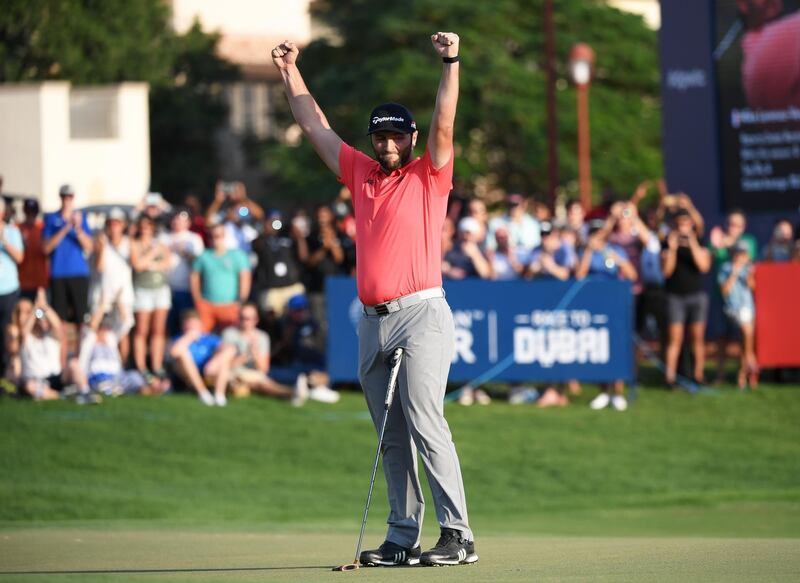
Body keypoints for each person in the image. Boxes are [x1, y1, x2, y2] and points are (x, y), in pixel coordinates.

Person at [272, 32, 477, 566]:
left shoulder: (429, 173)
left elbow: (445, 118)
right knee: (391, 436)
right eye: (379, 137)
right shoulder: (360, 174)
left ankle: (458, 535)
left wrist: (450, 62)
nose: (387, 144)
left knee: (426, 420)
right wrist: (290, 71)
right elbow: (313, 124)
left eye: (395, 137)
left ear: (410, 139)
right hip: (372, 321)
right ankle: (402, 536)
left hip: (422, 314)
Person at [576, 219, 637, 411]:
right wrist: (588, 250)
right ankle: (603, 391)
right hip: (593, 305)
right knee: (598, 347)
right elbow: (579, 275)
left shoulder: (614, 251)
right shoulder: (585, 252)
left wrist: (614, 258)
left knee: (617, 347)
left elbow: (632, 275)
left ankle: (618, 393)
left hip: (614, 304)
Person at [204, 302, 302, 407]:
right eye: (242, 317)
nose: (245, 321)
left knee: (262, 382)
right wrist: (244, 357)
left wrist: (255, 352)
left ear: (256, 320)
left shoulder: (262, 337)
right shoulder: (229, 334)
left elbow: (263, 369)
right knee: (254, 383)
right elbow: (223, 364)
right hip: (231, 373)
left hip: (251, 374)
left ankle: (292, 392)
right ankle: (292, 393)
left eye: (249, 318)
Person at [661, 209, 712, 388]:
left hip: (696, 296)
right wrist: (673, 249)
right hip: (675, 297)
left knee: (697, 339)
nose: (683, 227)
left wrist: (692, 243)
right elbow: (666, 271)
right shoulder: (666, 243)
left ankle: (698, 375)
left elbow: (704, 266)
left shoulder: (699, 241)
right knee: (675, 339)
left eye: (686, 223)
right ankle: (670, 378)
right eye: (679, 223)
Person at [43, 184, 93, 364]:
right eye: (64, 196)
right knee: (60, 323)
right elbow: (46, 248)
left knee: (81, 322)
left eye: (70, 196)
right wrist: (65, 227)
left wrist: (77, 228)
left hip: (79, 274)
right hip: (58, 275)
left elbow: (89, 246)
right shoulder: (51, 219)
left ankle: (80, 363)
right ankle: (62, 365)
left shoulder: (82, 218)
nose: (67, 200)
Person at [130, 216, 172, 385]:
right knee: (141, 330)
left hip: (160, 289)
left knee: (159, 330)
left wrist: (150, 263)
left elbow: (167, 262)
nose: (145, 229)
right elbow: (138, 265)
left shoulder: (160, 244)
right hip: (143, 290)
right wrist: (152, 255)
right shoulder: (135, 244)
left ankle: (157, 365)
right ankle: (141, 366)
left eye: (149, 226)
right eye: (143, 226)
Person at [90, 208, 135, 363]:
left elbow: (136, 263)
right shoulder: (101, 243)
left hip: (123, 293)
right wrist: (102, 246)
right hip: (103, 294)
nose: (113, 226)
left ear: (123, 225)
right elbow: (99, 267)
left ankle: (120, 366)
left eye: (117, 222)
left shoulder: (130, 243)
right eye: (110, 223)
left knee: (123, 331)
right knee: (98, 330)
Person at [190, 222, 251, 333]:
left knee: (230, 336)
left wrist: (241, 302)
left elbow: (245, 279)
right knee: (203, 335)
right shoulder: (203, 256)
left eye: (219, 236)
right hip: (207, 305)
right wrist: (198, 299)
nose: (215, 239)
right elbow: (194, 278)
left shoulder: (238, 256)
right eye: (212, 236)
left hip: (230, 305)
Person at [718, 241, 758, 389]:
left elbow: (752, 286)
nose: (740, 256)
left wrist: (748, 272)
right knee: (747, 333)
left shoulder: (749, 268)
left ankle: (743, 374)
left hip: (748, 307)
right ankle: (749, 359)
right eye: (738, 253)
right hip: (733, 309)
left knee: (745, 340)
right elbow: (725, 291)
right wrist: (734, 272)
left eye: (743, 253)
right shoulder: (725, 268)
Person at [251, 210, 307, 317]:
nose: (275, 224)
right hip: (272, 288)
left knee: (297, 315)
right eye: (272, 221)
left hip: (291, 285)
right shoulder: (261, 240)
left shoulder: (288, 237)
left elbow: (303, 257)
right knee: (271, 316)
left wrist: (299, 236)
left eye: (277, 221)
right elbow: (256, 246)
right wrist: (266, 230)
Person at [162, 207, 205, 336]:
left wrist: (186, 252)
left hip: (186, 289)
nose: (178, 222)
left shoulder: (194, 239)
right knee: (166, 325)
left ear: (188, 222)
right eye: (175, 219)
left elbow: (199, 263)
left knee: (185, 323)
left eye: (181, 220)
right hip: (165, 288)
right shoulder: (163, 237)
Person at [168, 309, 220, 406]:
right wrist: (189, 337)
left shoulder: (208, 338)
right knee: (183, 353)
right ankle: (202, 393)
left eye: (193, 324)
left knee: (224, 356)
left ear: (200, 324)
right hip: (184, 376)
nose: (190, 327)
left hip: (208, 373)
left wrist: (214, 363)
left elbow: (227, 349)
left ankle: (219, 394)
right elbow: (173, 353)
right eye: (187, 324)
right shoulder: (179, 339)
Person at [0, 197, 24, 371]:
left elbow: (19, 257)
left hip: (8, 290)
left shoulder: (12, 232)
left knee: (8, 332)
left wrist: (4, 241)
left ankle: (8, 371)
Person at [16, 198, 48, 301]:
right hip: (22, 282)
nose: (30, 215)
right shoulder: (17, 228)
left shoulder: (43, 228)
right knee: (23, 314)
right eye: (28, 212)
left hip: (40, 282)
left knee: (39, 313)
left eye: (33, 212)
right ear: (24, 211)